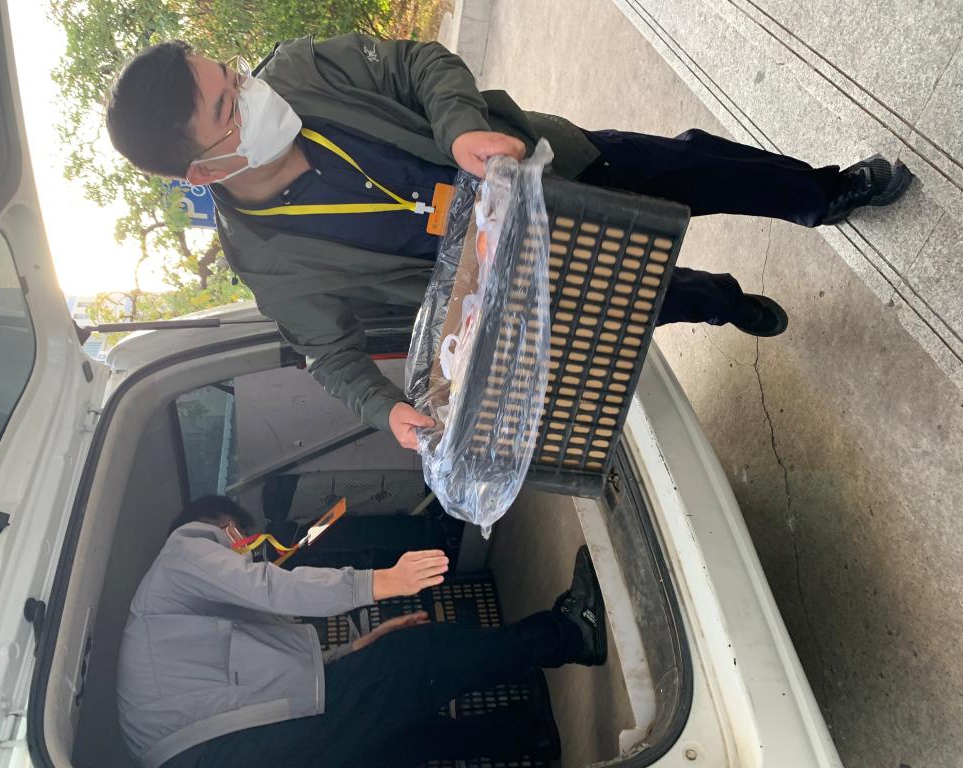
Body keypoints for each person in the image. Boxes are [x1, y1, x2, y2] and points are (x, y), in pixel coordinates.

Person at [105, 35, 913, 450]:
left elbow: (417, 64)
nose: (251, 91)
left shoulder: (301, 72)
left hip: (541, 166)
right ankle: (724, 302)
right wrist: (388, 413)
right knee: (643, 298)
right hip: (516, 275)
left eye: (231, 74)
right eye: (229, 109)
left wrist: (460, 129)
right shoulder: (265, 259)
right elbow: (332, 355)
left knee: (692, 169)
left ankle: (821, 194)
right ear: (203, 173)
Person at [117, 495, 607, 768]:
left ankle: (528, 734)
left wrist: (359, 645)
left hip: (215, 749)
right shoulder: (185, 550)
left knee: (389, 742)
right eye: (242, 540)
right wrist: (380, 582)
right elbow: (269, 587)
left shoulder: (180, 623)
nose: (249, 550)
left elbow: (275, 684)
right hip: (220, 749)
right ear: (221, 527)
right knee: (416, 658)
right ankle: (570, 632)